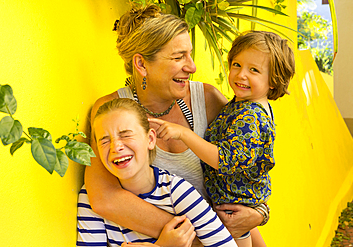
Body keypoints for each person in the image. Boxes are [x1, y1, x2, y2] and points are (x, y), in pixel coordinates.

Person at [84, 4, 265, 246]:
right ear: (141, 64)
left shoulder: (208, 100)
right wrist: (188, 238)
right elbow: (104, 199)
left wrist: (260, 212)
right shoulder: (111, 112)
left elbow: (243, 169)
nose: (192, 67)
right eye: (179, 57)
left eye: (189, 54)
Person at [149, 31, 296, 247]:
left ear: (273, 81)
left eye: (254, 70)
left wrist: (184, 134)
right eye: (237, 65)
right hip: (233, 201)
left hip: (233, 207)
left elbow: (224, 160)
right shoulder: (241, 105)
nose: (241, 75)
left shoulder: (250, 116)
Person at [76, 98, 237, 246]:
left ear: (150, 139)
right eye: (104, 140)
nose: (115, 146)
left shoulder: (177, 192)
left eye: (126, 135)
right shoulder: (89, 196)